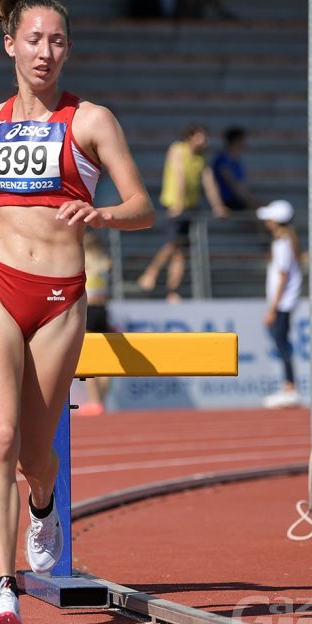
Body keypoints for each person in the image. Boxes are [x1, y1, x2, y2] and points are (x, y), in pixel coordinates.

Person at [0, 0, 154, 624]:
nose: (45, 51)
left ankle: (46, 503)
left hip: (59, 296)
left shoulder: (91, 121)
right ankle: (4, 586)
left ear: (67, 52)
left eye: (57, 41)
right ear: (11, 46)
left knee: (33, 454)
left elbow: (143, 206)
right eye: (34, 39)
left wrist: (103, 217)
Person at [136, 123, 229, 303]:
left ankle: (172, 290)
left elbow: (209, 182)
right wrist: (178, 204)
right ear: (191, 136)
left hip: (190, 207)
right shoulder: (177, 149)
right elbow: (179, 176)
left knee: (180, 252)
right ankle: (150, 273)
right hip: (174, 204)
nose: (205, 141)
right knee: (173, 243)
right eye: (201, 136)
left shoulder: (202, 157)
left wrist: (218, 205)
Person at [257, 200, 303, 408]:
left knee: (282, 344)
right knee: (282, 343)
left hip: (283, 303)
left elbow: (283, 277)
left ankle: (290, 387)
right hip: (285, 302)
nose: (267, 221)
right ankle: (288, 386)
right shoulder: (287, 242)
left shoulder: (282, 244)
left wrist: (272, 309)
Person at [78, 230, 113, 416]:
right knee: (105, 359)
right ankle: (103, 399)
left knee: (89, 356)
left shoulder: (85, 263)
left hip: (90, 310)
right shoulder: (105, 263)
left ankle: (95, 401)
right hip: (103, 309)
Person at [210, 125, 258, 212]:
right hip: (228, 201)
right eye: (243, 140)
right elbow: (233, 183)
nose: (245, 143)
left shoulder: (237, 162)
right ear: (236, 141)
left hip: (238, 199)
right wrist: (251, 201)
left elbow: (241, 185)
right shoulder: (222, 160)